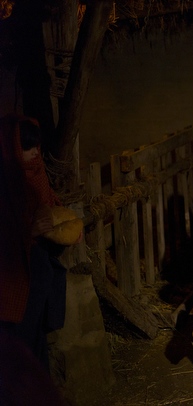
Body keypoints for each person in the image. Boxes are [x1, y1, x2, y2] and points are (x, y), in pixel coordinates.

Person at [0, 114, 70, 371]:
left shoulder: (37, 174)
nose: (34, 152)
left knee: (37, 342)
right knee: (22, 346)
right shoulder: (7, 184)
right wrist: (31, 231)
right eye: (27, 146)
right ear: (12, 147)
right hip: (17, 282)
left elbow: (52, 205)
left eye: (36, 145)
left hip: (40, 275)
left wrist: (63, 226)